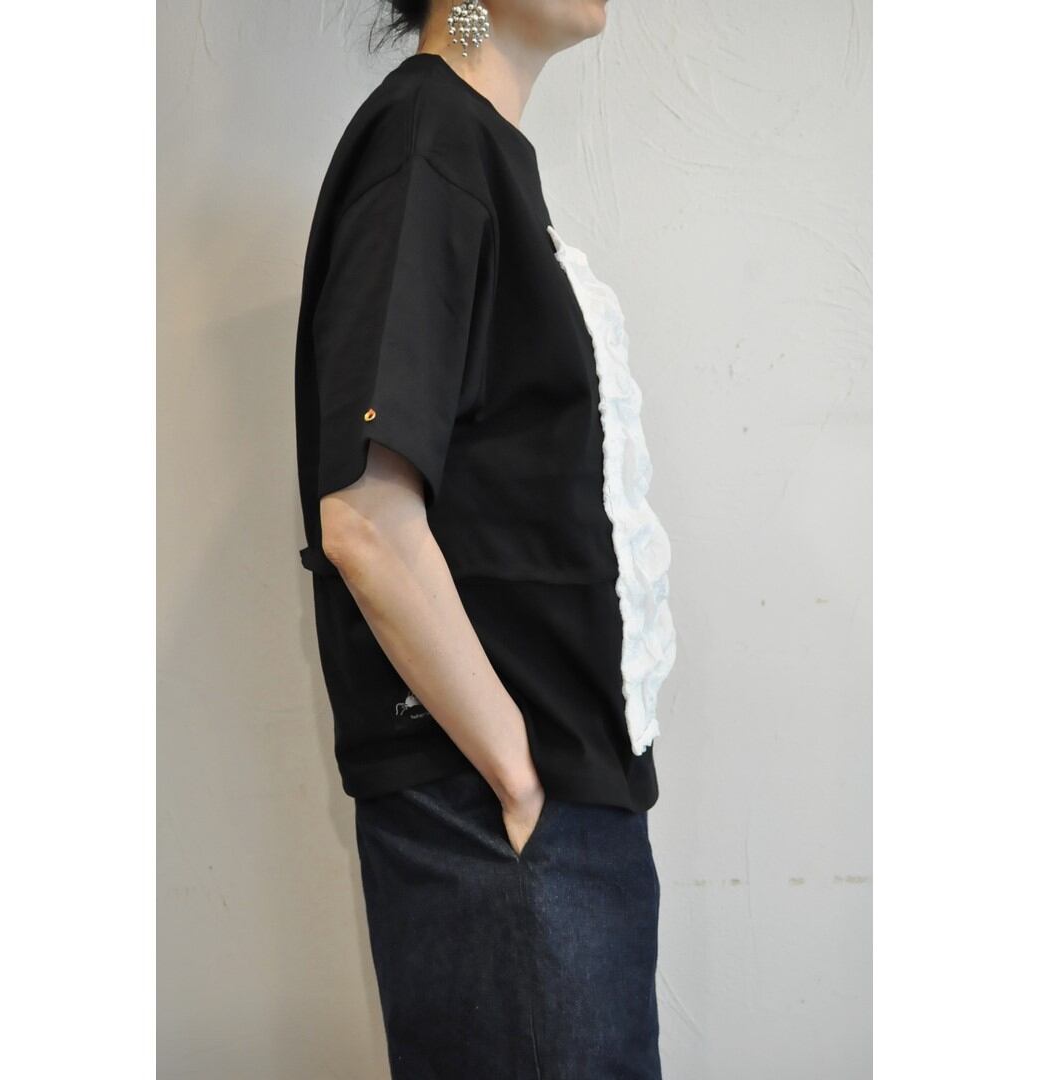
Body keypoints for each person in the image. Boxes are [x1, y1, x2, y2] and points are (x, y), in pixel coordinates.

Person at [292, 1, 677, 1075]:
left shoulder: (469, 147)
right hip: (500, 819)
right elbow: (365, 519)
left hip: (544, 812)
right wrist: (517, 779)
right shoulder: (429, 135)